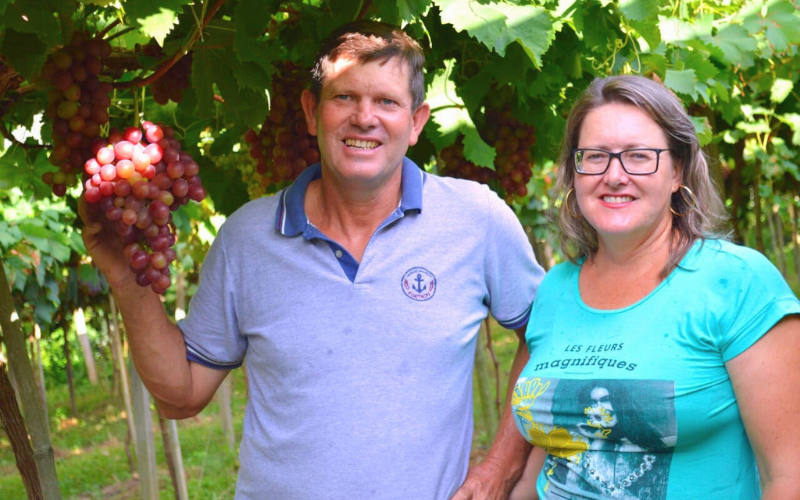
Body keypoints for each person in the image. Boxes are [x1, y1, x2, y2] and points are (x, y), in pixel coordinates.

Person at [81, 20, 546, 500]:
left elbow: (547, 339)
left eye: (386, 101)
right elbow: (180, 396)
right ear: (310, 112)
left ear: (416, 122)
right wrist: (126, 278)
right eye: (344, 98)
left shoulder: (476, 218)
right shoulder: (247, 238)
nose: (364, 118)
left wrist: (500, 468)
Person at [510, 75, 800, 499]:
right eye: (594, 157)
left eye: (639, 156)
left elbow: (788, 477)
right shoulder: (554, 290)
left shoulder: (737, 284)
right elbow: (552, 446)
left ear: (678, 171)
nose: (614, 175)